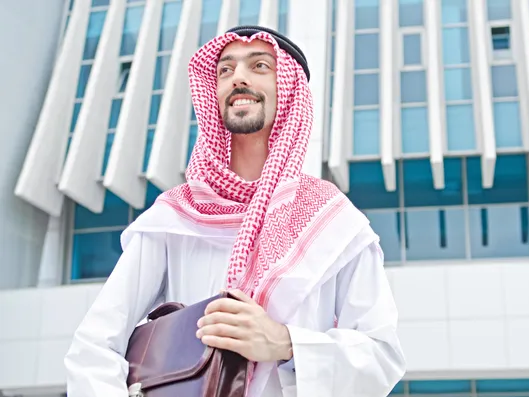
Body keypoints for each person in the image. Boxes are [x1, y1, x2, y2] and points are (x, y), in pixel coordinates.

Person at [64, 25, 406, 397]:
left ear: (289, 92)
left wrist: (286, 343)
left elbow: (381, 357)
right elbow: (95, 346)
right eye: (225, 70)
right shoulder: (175, 215)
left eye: (260, 66)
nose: (237, 78)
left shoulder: (334, 222)